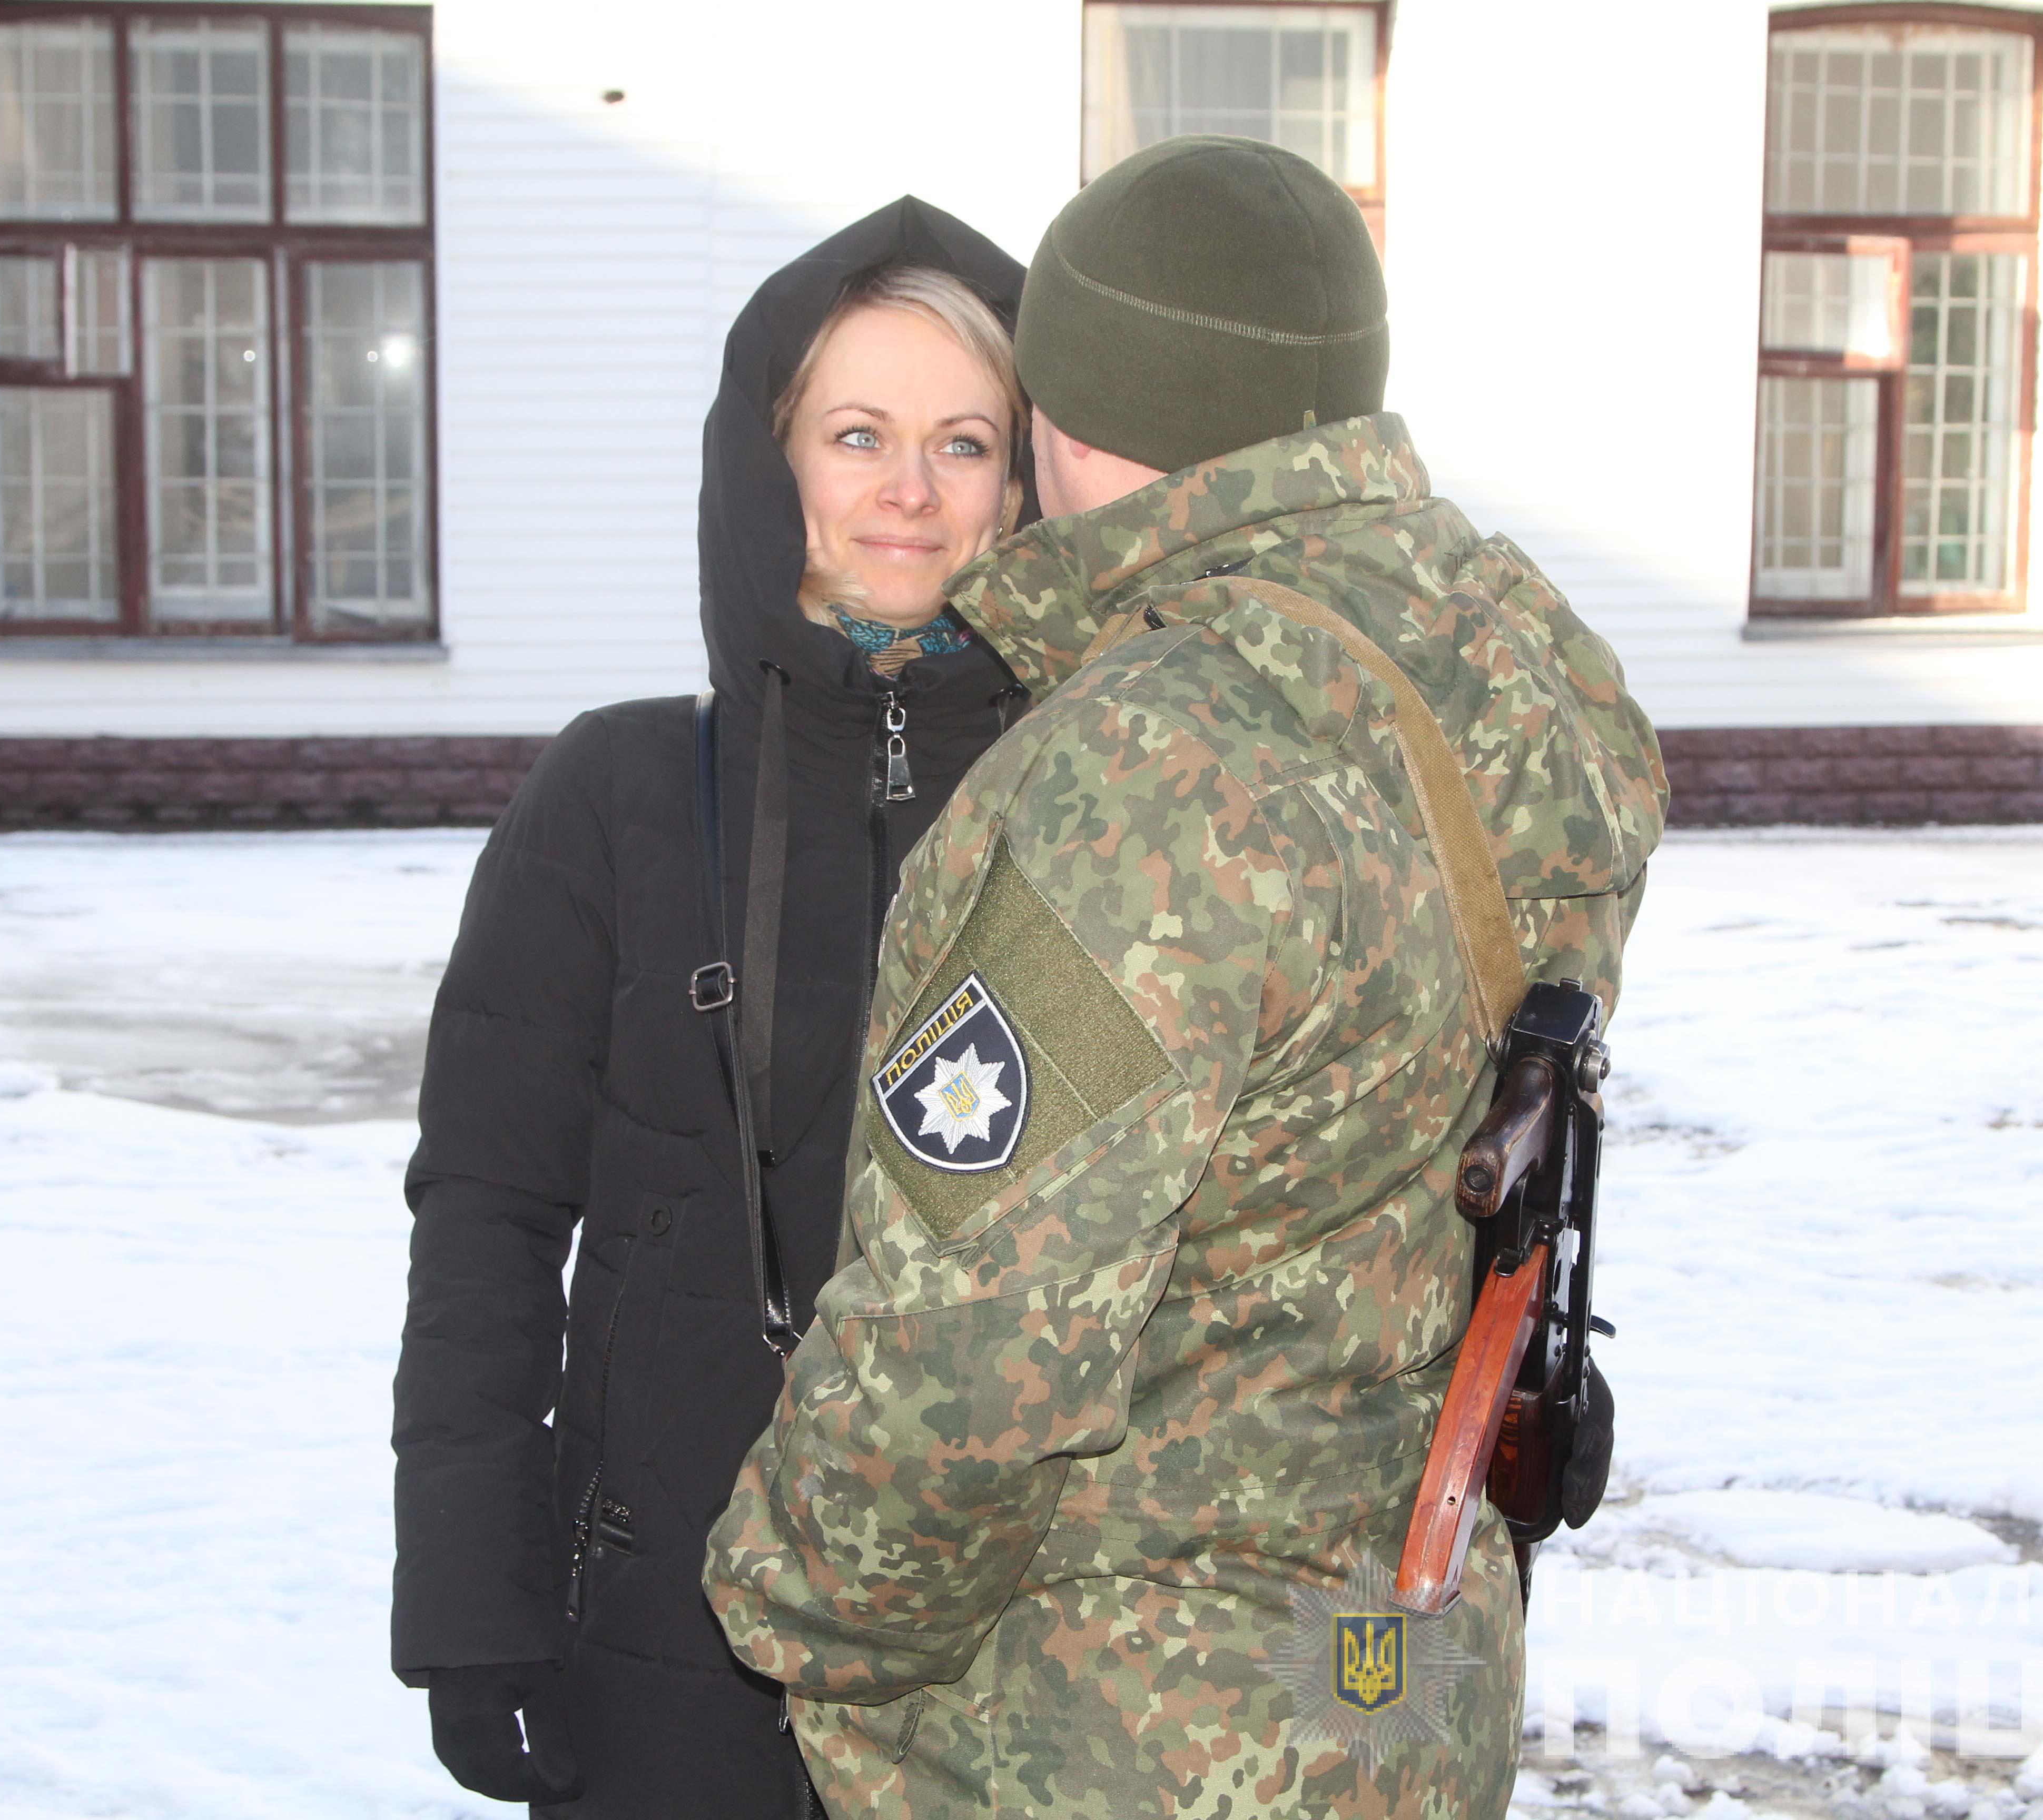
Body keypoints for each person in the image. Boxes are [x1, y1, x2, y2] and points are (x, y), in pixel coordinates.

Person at [705, 138, 1668, 1817]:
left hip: (1131, 1730)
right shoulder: (1517, 666)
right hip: (1404, 1677)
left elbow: (973, 1355)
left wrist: (795, 1608)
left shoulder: (1155, 768)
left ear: (1068, 414)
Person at [391, 197, 1034, 1818]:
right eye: (858, 434)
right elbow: (486, 1216)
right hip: (666, 1627)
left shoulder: (1103, 804)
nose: (908, 488)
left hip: (1018, 1651)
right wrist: (471, 1601)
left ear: (1023, 486)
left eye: (962, 443)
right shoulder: (617, 796)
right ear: (770, 462)